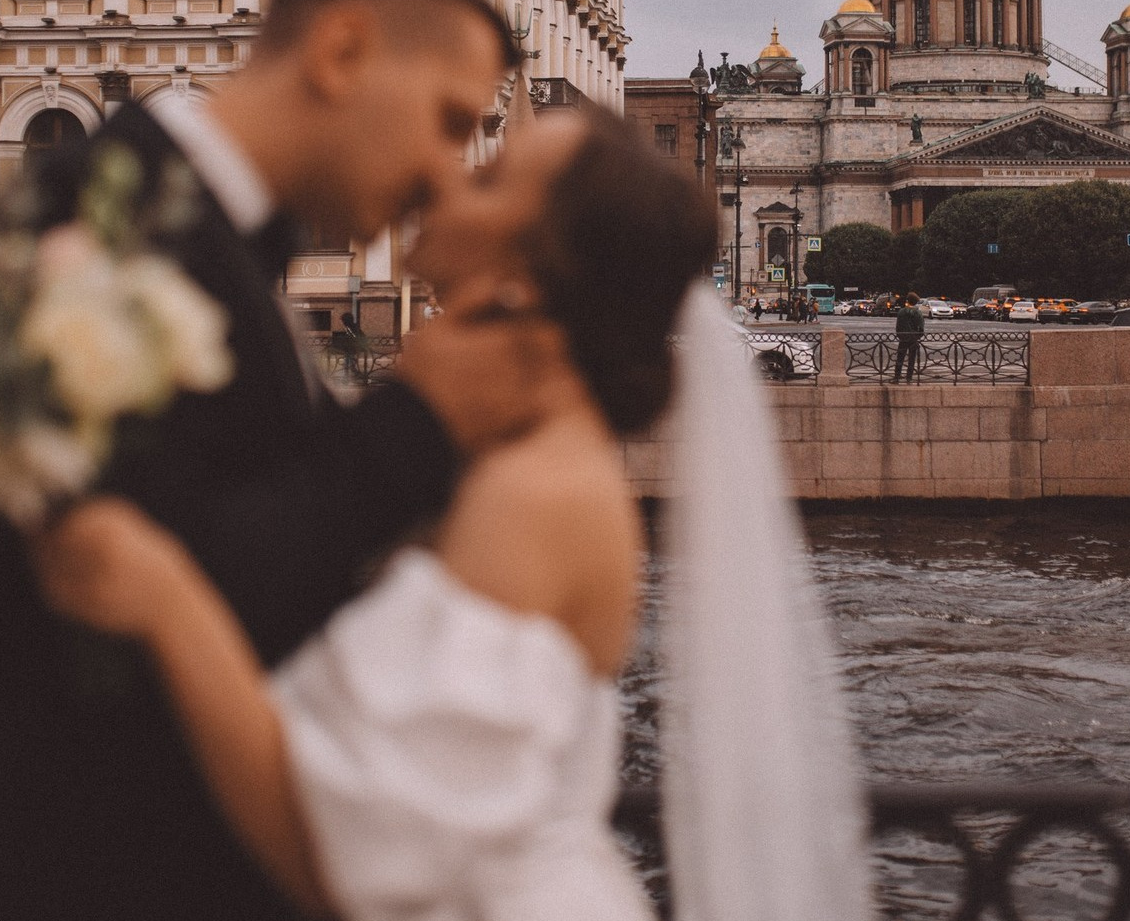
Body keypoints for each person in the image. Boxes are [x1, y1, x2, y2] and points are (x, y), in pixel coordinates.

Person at [0, 0, 573, 921]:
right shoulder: (93, 239)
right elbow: (128, 593)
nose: (449, 177)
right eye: (449, 122)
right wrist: (414, 424)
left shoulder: (187, 228)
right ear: (342, 52)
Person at [35, 110, 722, 921]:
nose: (445, 178)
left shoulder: (537, 492)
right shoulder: (508, 449)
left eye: (488, 178)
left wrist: (165, 596)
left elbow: (349, 859)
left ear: (533, 272)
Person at [893, 290, 924, 383]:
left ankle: (897, 377)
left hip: (903, 337)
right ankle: (909, 377)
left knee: (900, 358)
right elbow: (921, 327)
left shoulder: (901, 311)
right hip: (913, 338)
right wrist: (918, 336)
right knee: (911, 359)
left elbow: (898, 326)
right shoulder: (918, 313)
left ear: (907, 300)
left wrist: (900, 335)